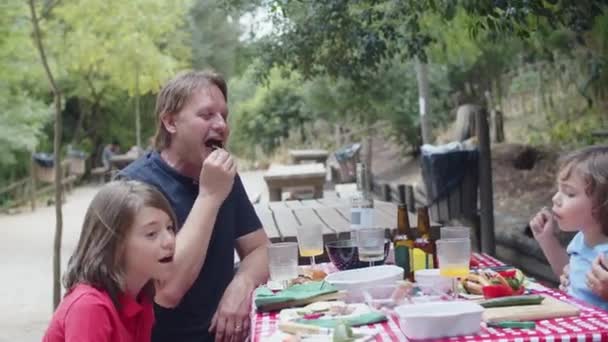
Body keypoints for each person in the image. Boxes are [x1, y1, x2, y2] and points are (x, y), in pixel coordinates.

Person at [118, 70, 270, 342]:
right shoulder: (135, 187)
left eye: (224, 115)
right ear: (170, 122)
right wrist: (210, 195)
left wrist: (241, 283)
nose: (221, 124)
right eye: (207, 115)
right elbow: (168, 291)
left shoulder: (222, 174)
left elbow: (259, 248)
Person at [43, 180, 177, 341]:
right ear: (115, 245)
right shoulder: (89, 308)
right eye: (151, 233)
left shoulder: (141, 299)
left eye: (169, 228)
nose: (170, 240)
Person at [530, 145, 608, 310]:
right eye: (559, 190)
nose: (555, 199)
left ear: (602, 205)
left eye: (569, 193)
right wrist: (547, 240)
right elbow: (567, 275)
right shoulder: (581, 238)